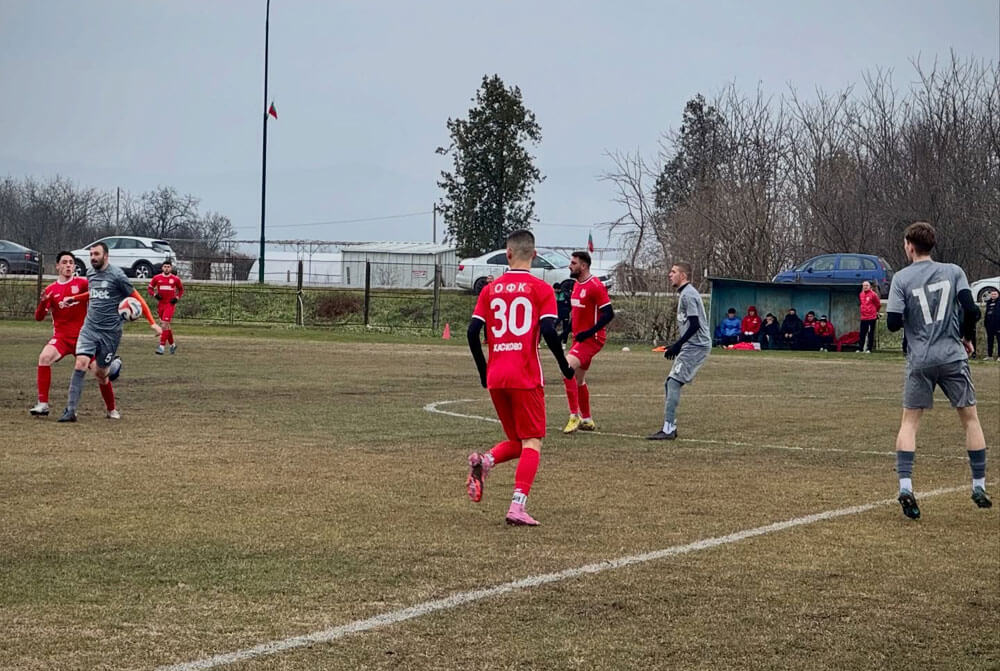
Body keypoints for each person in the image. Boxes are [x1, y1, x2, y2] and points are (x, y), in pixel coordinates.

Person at [465, 230, 575, 526]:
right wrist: (564, 366)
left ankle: (485, 461)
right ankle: (517, 505)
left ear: (508, 254)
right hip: (525, 375)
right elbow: (549, 330)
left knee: (518, 440)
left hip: (497, 375)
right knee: (533, 441)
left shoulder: (490, 290)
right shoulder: (541, 289)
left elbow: (472, 332)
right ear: (535, 255)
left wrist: (483, 371)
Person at [886, 221, 990, 519]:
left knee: (909, 423)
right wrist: (966, 336)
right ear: (932, 245)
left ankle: (906, 486)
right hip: (952, 355)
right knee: (970, 419)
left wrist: (910, 318)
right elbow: (972, 310)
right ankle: (978, 485)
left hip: (920, 358)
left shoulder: (902, 278)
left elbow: (892, 323)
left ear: (910, 246)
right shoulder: (954, 271)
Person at [56, 242, 162, 422]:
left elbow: (138, 299)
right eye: (91, 254)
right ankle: (70, 411)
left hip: (110, 333)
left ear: (106, 256)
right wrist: (74, 299)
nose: (93, 258)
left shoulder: (117, 276)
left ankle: (112, 401)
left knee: (101, 374)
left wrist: (152, 323)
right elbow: (94, 293)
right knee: (81, 363)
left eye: (96, 254)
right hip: (89, 328)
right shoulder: (90, 273)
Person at [647, 262, 710, 440]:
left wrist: (678, 345)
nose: (670, 274)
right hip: (691, 345)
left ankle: (668, 429)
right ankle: (670, 426)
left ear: (683, 275)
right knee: (670, 383)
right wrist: (677, 345)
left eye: (673, 272)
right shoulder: (686, 293)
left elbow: (695, 325)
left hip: (696, 346)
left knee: (673, 383)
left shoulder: (688, 294)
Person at [561, 251, 614, 433]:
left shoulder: (595, 286)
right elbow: (576, 314)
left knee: (566, 368)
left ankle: (574, 416)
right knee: (578, 380)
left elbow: (609, 314)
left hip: (592, 339)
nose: (570, 266)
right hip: (580, 339)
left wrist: (589, 333)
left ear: (583, 266)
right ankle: (587, 419)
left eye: (573, 263)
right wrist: (565, 333)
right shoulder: (577, 285)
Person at [148, 259, 184, 355]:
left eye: (168, 267)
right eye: (165, 267)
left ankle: (161, 347)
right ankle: (172, 345)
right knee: (166, 326)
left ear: (171, 268)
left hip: (170, 304)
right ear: (162, 268)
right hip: (161, 304)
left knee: (164, 325)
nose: (167, 268)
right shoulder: (157, 278)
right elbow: (150, 288)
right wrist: (155, 295)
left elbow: (181, 290)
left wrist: (177, 298)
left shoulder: (175, 279)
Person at [858, 280, 881, 353]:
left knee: (870, 333)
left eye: (867, 285)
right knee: (862, 333)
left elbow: (878, 304)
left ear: (870, 286)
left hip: (871, 317)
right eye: (864, 285)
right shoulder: (861, 294)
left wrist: (875, 311)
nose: (865, 287)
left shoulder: (873, 294)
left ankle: (869, 348)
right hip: (863, 317)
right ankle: (860, 348)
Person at [985, 288, 1000, 361]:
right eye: (992, 294)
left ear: (998, 295)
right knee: (990, 341)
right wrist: (985, 323)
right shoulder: (988, 302)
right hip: (989, 325)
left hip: (998, 325)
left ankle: (999, 356)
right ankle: (989, 356)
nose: (993, 295)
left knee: (999, 341)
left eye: (995, 294)